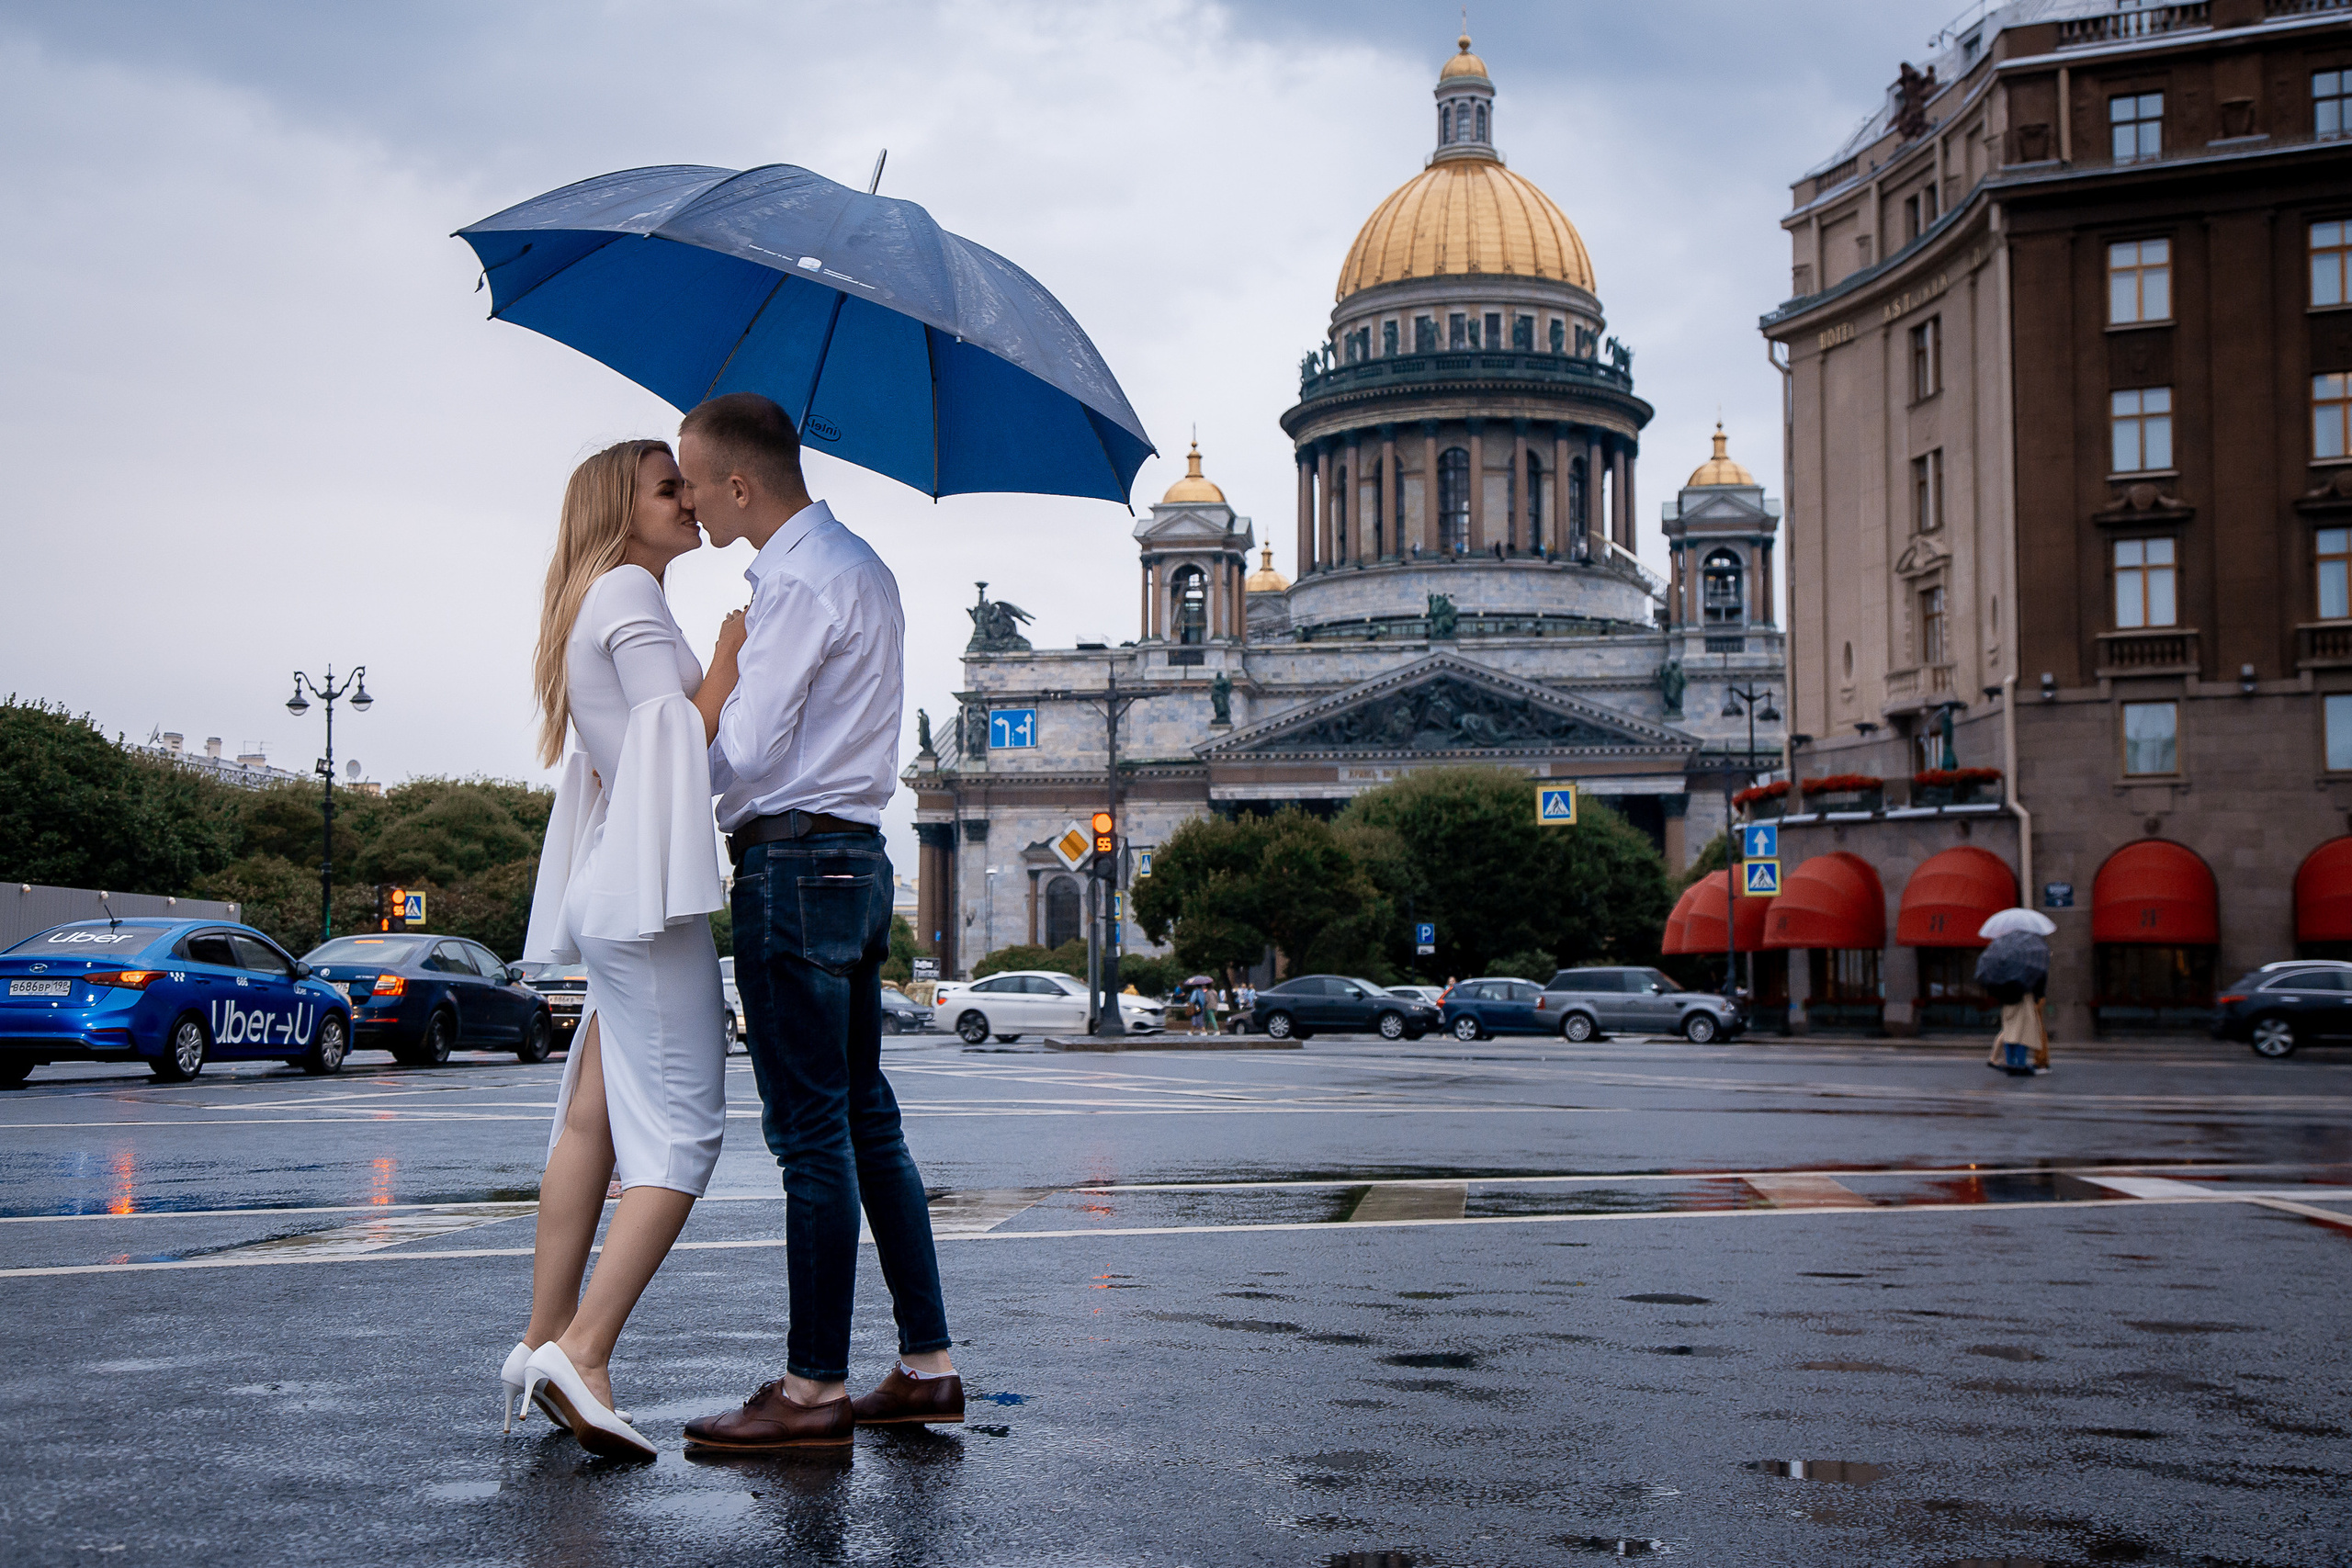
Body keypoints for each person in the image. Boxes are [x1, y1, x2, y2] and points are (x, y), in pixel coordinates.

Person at [674, 393, 959, 1451]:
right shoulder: (864, 566)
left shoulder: (791, 584)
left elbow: (741, 753)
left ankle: (810, 1391)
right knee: (866, 1117)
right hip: (856, 859)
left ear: (740, 485)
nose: (692, 505)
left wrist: (715, 678)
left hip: (790, 862)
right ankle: (926, 1365)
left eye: (697, 486)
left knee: (809, 1135)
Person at [505, 439, 740, 1461]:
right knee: (685, 1134)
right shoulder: (633, 599)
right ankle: (585, 1355)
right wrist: (730, 664)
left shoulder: (594, 599)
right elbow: (668, 743)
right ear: (621, 506)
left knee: (592, 1126)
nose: (689, 498)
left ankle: (540, 1340)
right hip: (648, 904)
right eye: (667, 486)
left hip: (617, 888)